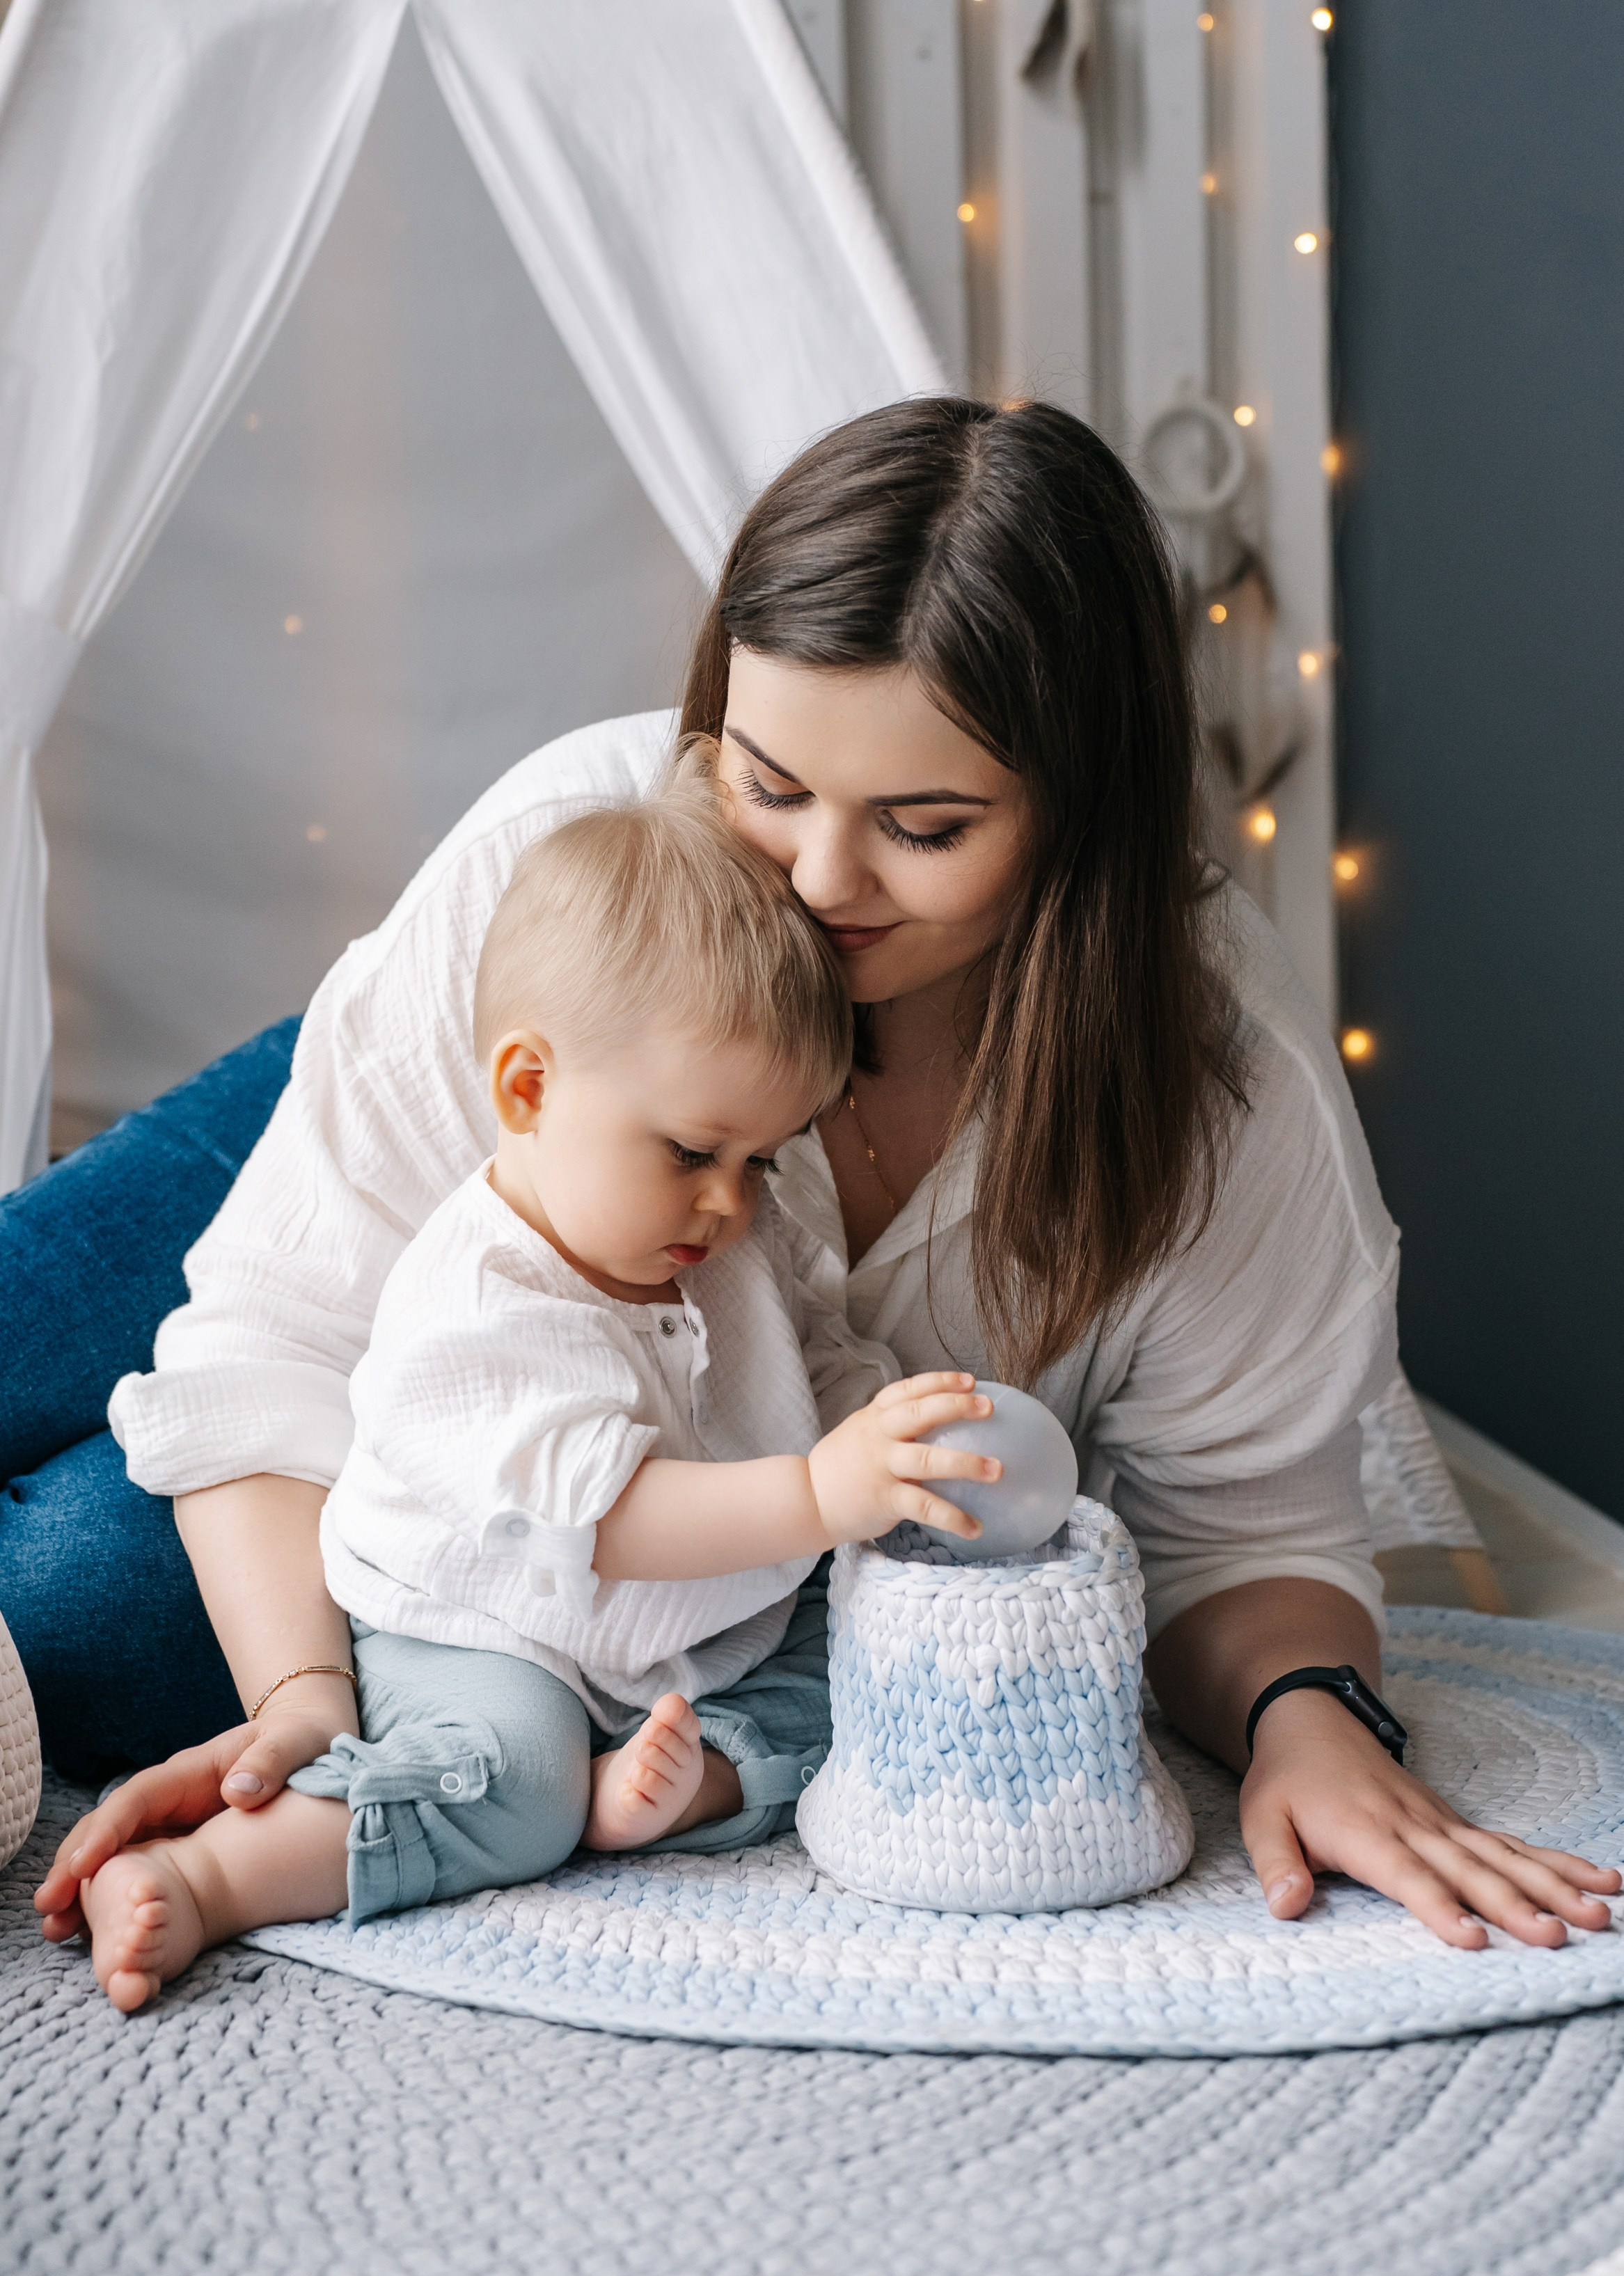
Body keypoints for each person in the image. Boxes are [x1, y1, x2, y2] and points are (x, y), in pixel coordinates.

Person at [22, 396, 1617, 1957]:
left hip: (551, 1512)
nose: (820, 882)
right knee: (79, 1438)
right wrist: (303, 1706)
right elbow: (274, 1335)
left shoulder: (1218, 1081)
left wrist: (1307, 1720)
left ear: (1083, 822)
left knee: (85, 1608)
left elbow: (1241, 1534)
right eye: (770, 787)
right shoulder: (573, 854)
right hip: (422, 1137)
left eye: (924, 826)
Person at [70, 759, 1000, 2009]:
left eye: (763, 1161)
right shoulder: (480, 1305)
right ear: (528, 1088)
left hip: (692, 1624)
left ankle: (676, 1791)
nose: (731, 1200)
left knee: (864, 1684)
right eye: (691, 1152)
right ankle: (216, 1878)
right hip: (486, 1621)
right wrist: (824, 1492)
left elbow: (807, 1348)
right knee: (508, 1781)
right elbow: (609, 1520)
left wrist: (872, 1417)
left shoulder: (721, 1228)